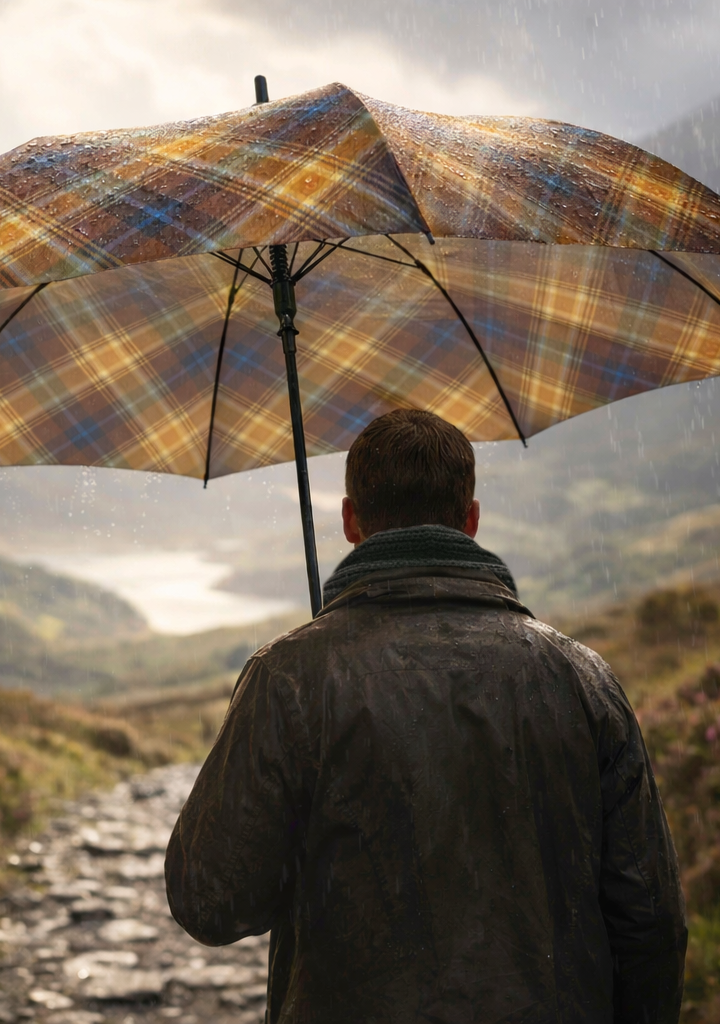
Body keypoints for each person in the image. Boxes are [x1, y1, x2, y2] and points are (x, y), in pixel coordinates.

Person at [165, 408, 687, 1024]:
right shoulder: (580, 677)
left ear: (350, 520)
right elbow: (651, 919)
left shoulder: (290, 677)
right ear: (470, 521)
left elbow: (211, 901)